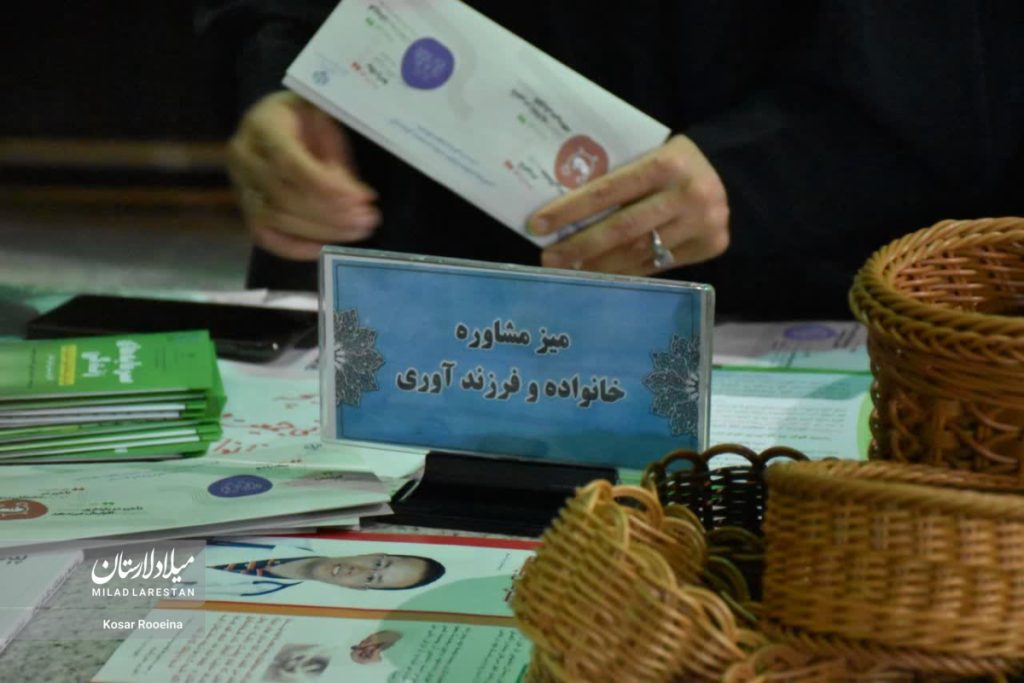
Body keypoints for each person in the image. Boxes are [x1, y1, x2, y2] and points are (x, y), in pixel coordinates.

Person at [196, 1, 1023, 319]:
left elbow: (951, 71)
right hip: (411, 272)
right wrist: (281, 76)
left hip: (763, 295)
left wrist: (750, 176)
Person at [206, 540, 446, 596]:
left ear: (357, 588)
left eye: (372, 579)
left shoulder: (258, 593)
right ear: (373, 553)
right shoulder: (291, 533)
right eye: (377, 564)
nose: (357, 571)